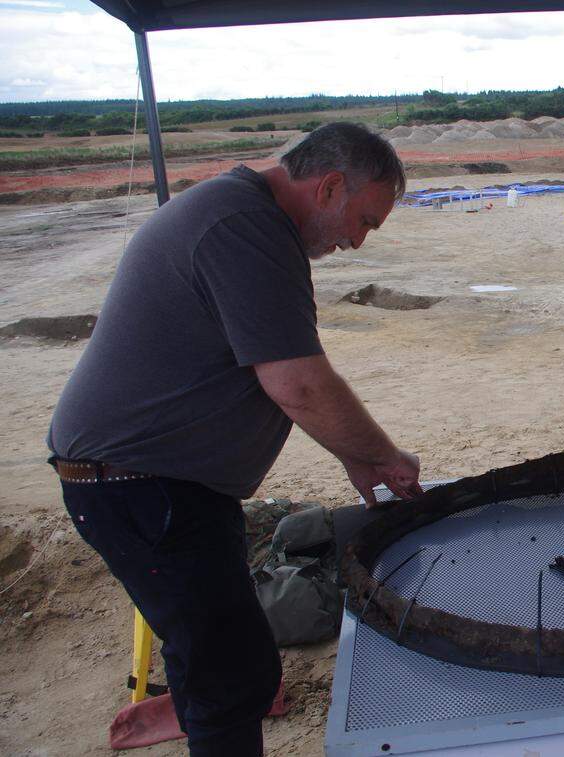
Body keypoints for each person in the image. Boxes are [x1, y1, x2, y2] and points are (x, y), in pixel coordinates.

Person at [47, 122, 423, 756]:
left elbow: (281, 373)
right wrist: (382, 457)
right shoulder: (242, 228)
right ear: (328, 187)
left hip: (161, 483)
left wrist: (359, 457)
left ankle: (186, 709)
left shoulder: (242, 215)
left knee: (220, 651)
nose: (356, 242)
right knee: (233, 675)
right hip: (138, 485)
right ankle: (201, 715)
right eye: (364, 221)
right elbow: (297, 383)